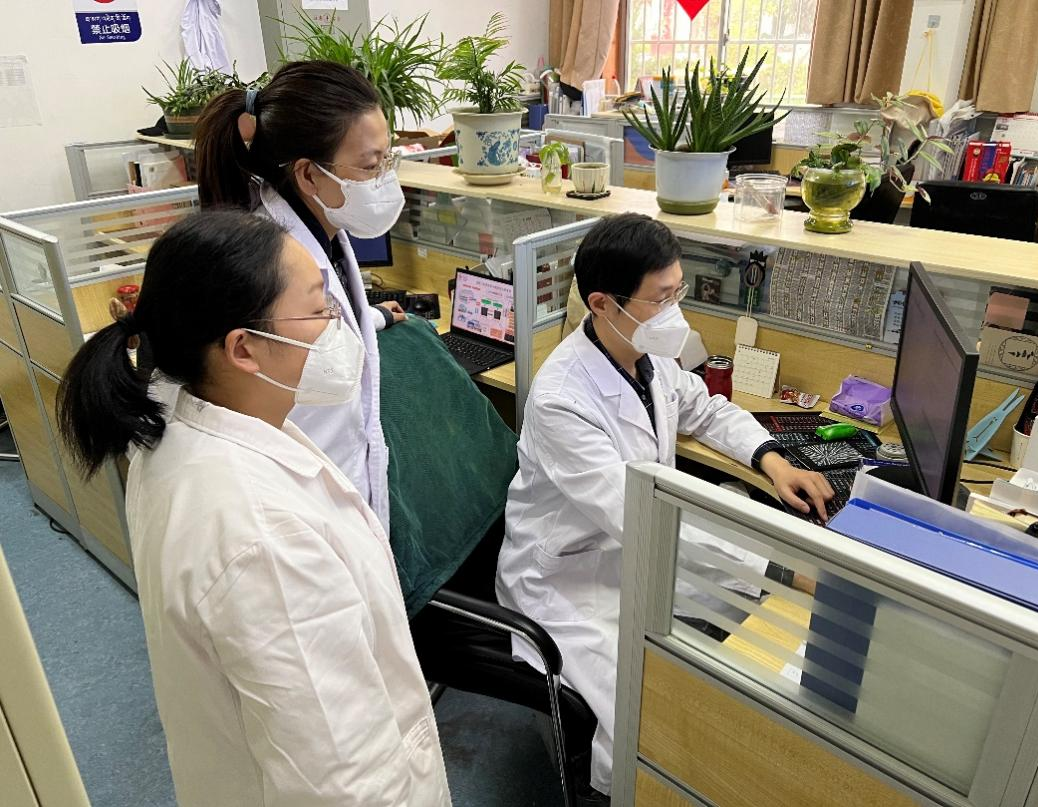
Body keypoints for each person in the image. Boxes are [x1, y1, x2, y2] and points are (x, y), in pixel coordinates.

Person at [57, 210, 451, 807]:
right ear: (242, 348)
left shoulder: (184, 418)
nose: (338, 325)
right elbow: (343, 782)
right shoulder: (267, 538)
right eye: (320, 309)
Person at [496, 213, 833, 798]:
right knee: (645, 708)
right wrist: (780, 569)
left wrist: (772, 459)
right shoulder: (561, 401)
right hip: (570, 579)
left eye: (677, 292)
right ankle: (621, 791)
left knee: (737, 652)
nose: (675, 312)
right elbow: (639, 515)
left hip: (634, 550)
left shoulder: (644, 357)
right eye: (660, 298)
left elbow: (707, 409)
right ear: (602, 304)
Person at [194, 60, 404, 531]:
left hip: (339, 481)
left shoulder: (322, 231)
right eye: (371, 165)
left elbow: (313, 333)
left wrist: (371, 317)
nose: (385, 177)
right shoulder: (265, 267)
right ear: (308, 175)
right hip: (298, 503)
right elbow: (279, 335)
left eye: (388, 158)